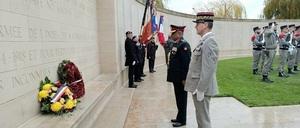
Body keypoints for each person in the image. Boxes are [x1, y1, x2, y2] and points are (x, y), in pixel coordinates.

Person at [185, 12, 219, 128]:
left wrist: (200, 89)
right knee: (200, 117)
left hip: (201, 88)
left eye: (197, 24)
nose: (195, 26)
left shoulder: (210, 42)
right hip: (198, 87)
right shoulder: (204, 41)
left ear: (204, 25)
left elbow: (208, 69)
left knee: (203, 120)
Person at [167, 25, 191, 127]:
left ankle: (182, 120)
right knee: (178, 98)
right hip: (176, 77)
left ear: (179, 33)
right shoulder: (176, 44)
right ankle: (179, 117)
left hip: (181, 78)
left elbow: (186, 64)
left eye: (173, 33)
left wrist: (185, 78)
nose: (171, 35)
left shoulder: (184, 45)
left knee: (182, 99)